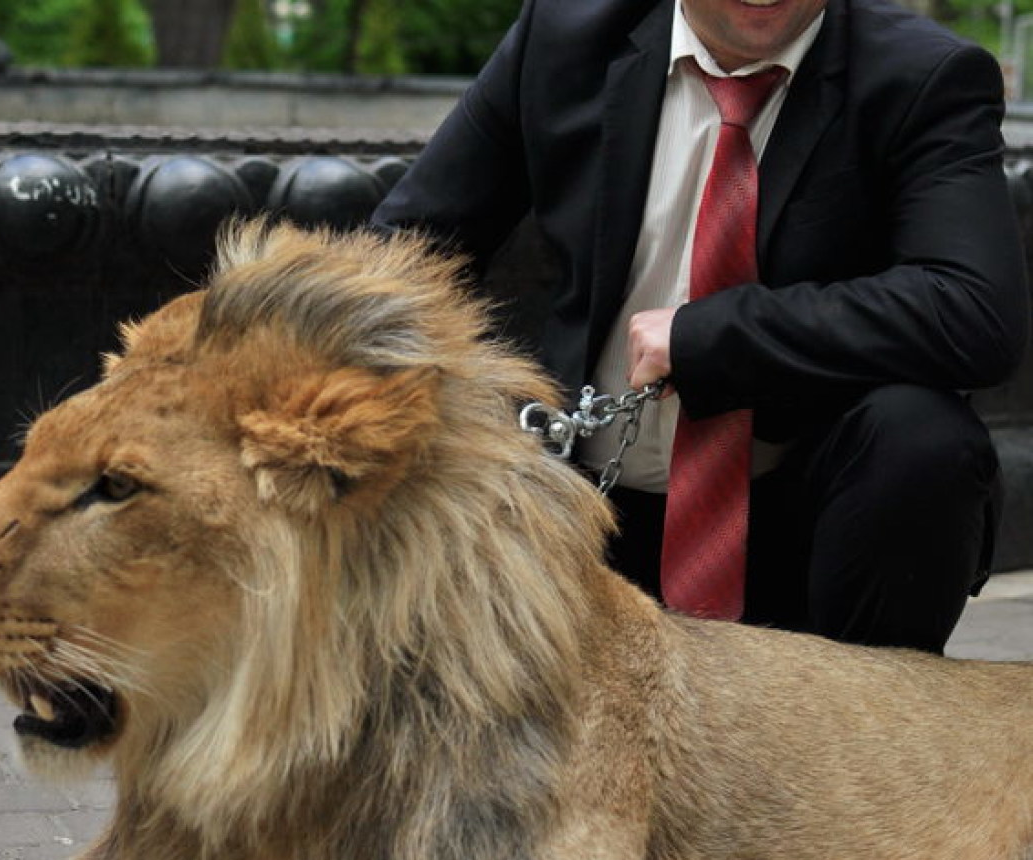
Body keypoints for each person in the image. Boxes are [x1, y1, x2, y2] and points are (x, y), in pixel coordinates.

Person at [371, 0, 1030, 653]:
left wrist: (710, 337)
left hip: (804, 526)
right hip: (581, 511)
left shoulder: (923, 74)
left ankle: (875, 731)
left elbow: (974, 308)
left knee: (925, 437)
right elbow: (408, 250)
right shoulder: (563, 35)